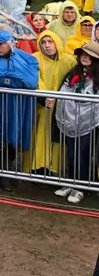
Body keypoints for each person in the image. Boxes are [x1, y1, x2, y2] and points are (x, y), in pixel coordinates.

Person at [0, 30, 40, 191]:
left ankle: (4, 173)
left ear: (10, 43)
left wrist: (0, 78)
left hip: (14, 104)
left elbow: (31, 81)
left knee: (11, 135)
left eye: (1, 44)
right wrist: (11, 78)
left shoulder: (26, 58)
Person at [52, 42, 99, 205]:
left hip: (90, 122)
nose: (84, 57)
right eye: (82, 54)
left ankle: (80, 186)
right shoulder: (73, 72)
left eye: (88, 55)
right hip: (71, 119)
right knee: (71, 152)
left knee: (83, 153)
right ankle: (71, 181)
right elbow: (64, 91)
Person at [26, 30, 75, 175]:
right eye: (43, 42)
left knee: (56, 140)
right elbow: (35, 80)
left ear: (57, 43)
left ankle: (53, 170)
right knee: (37, 137)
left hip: (62, 109)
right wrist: (43, 96)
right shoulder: (35, 58)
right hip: (40, 107)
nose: (47, 46)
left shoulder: (69, 61)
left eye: (50, 42)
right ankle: (35, 168)